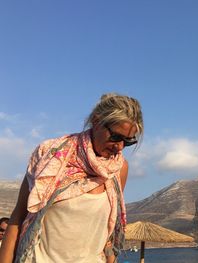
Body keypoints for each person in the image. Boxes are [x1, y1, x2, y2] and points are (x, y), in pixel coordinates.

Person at [0, 93, 144, 263]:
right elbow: (18, 218)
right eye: (115, 137)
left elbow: (106, 234)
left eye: (128, 141)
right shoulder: (50, 156)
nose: (119, 147)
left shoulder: (119, 169)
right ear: (97, 121)